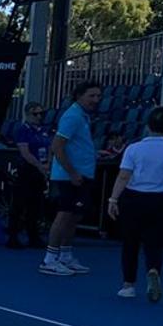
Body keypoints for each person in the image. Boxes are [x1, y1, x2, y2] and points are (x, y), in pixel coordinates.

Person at [107, 106, 163, 303]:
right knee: (155, 242)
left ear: (148, 125)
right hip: (162, 198)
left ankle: (128, 285)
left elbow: (124, 176)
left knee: (130, 242)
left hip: (134, 197)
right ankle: (153, 270)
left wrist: (113, 198)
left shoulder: (133, 148)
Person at [41, 81, 102, 277]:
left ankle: (65, 256)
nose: (96, 100)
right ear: (79, 96)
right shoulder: (73, 117)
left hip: (83, 174)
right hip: (71, 177)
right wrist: (72, 172)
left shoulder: (82, 117)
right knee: (64, 214)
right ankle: (50, 259)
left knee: (74, 216)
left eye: (98, 96)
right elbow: (57, 146)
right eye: (91, 96)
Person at [2, 101, 52, 249]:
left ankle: (33, 236)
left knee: (35, 205)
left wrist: (48, 163)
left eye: (41, 113)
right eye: (35, 113)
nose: (38, 116)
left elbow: (49, 147)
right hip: (27, 170)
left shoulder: (43, 130)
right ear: (28, 114)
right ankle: (13, 236)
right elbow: (25, 151)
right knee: (19, 204)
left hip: (40, 171)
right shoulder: (23, 130)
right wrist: (38, 165)